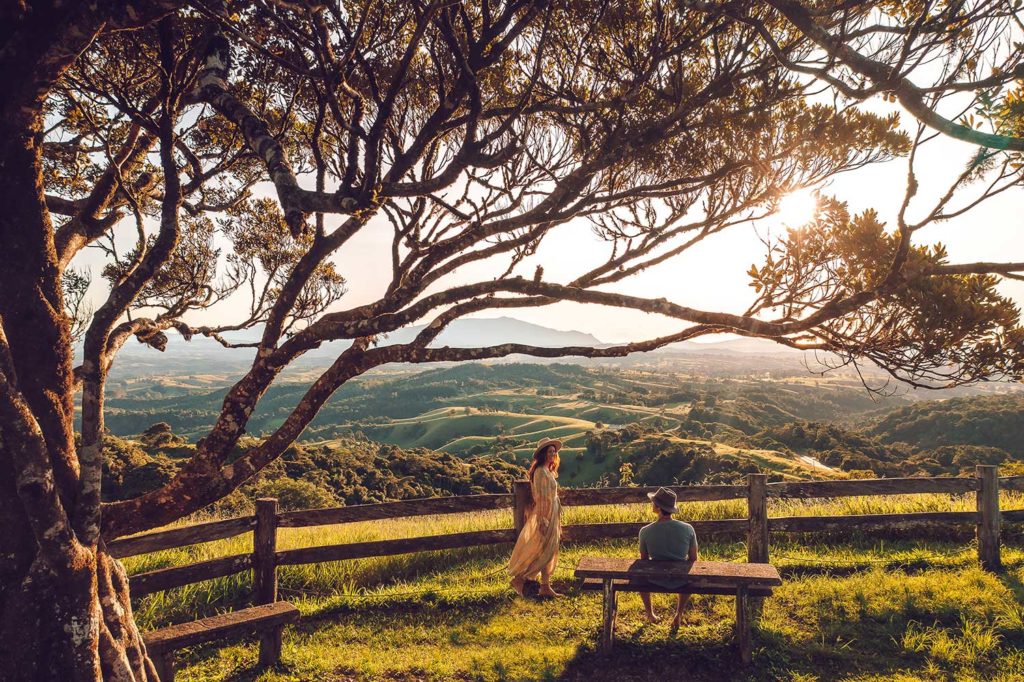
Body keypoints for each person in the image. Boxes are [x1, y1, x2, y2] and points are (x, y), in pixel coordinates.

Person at [508, 437, 562, 599]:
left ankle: (545, 586)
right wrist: (543, 520)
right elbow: (541, 498)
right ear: (543, 454)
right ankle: (519, 579)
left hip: (552, 513)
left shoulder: (548, 471)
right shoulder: (540, 472)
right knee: (540, 550)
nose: (552, 454)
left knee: (550, 550)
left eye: (554, 451)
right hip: (545, 515)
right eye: (549, 451)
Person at [638, 486, 699, 628]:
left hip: (654, 578)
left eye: (653, 502)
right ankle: (678, 614)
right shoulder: (688, 528)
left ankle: (650, 614)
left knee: (638, 575)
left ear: (658, 507)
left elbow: (644, 559)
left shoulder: (645, 531)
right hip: (681, 580)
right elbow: (693, 558)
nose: (652, 504)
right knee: (690, 575)